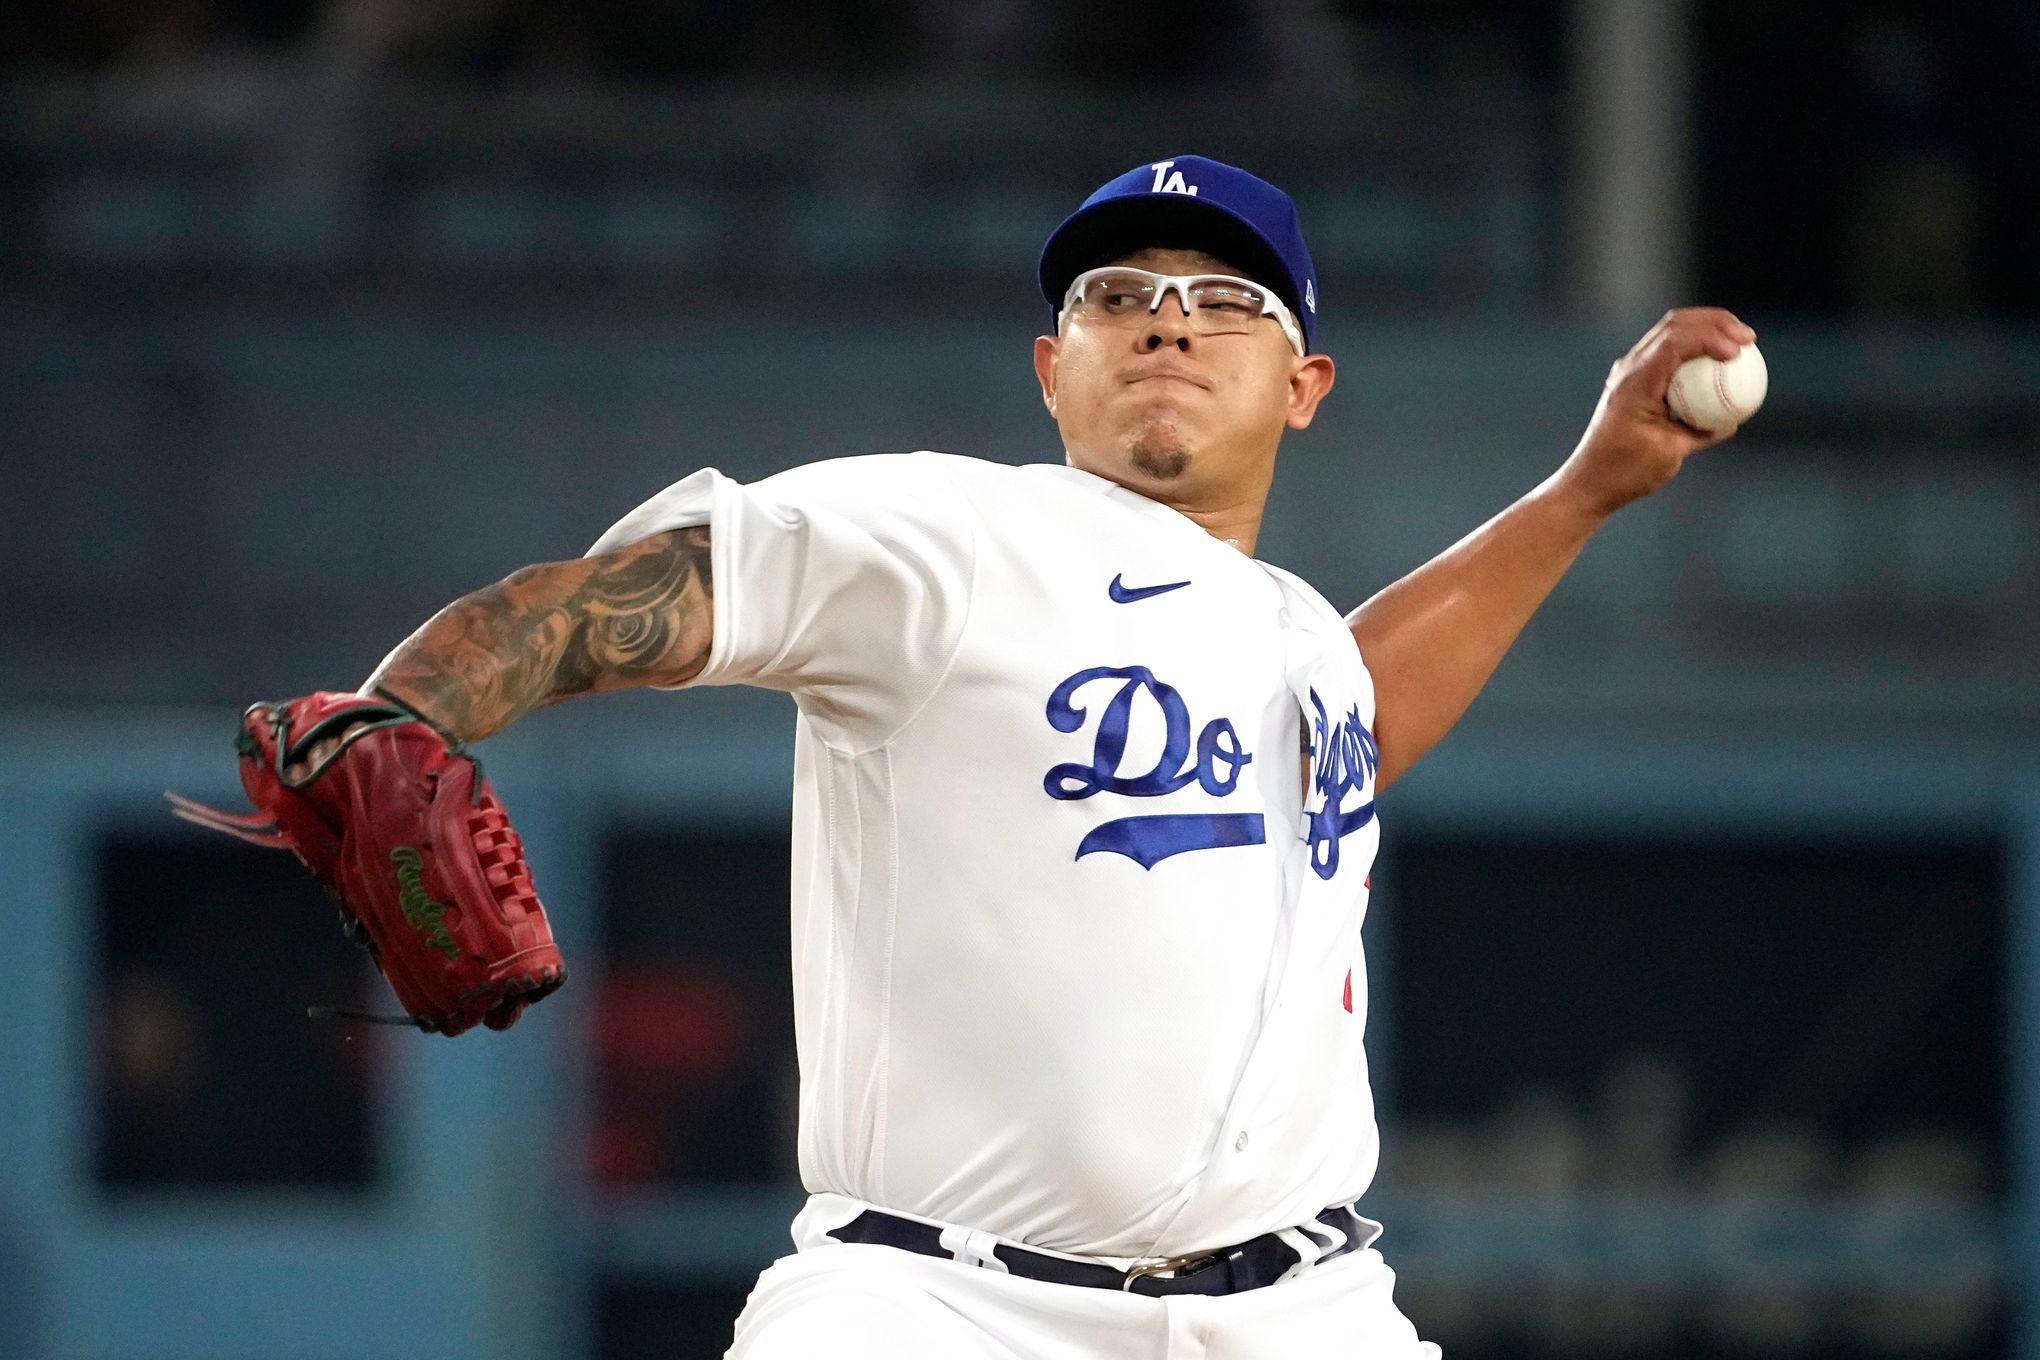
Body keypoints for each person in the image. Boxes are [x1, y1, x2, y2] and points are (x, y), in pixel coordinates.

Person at [347, 155, 1754, 1357]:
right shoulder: (951, 541)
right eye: (1118, 297)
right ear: (1049, 369)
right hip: (934, 1305)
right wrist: (401, 715)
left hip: (1299, 1310)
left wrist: (1583, 494)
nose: (1166, 326)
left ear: (1304, 383)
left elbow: (1357, 713)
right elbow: (626, 601)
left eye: (1224, 302)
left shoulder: (1295, 637)